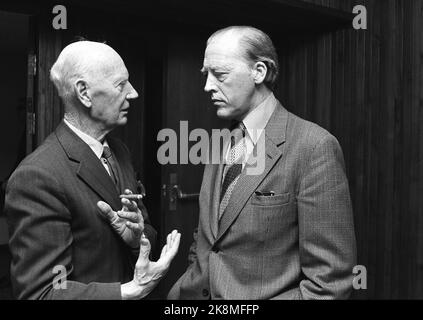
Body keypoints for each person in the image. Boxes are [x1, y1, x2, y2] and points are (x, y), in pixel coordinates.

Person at [168, 26, 357, 300]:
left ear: (259, 72)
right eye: (205, 75)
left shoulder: (314, 146)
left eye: (219, 74)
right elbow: (210, 236)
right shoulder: (221, 141)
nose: (208, 86)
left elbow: (329, 283)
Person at [5, 41, 180, 300]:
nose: (133, 93)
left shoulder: (119, 151)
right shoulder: (38, 176)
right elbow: (44, 291)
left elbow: (146, 234)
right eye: (121, 85)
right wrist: (131, 291)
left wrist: (136, 240)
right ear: (84, 93)